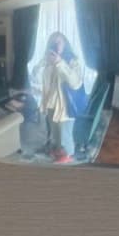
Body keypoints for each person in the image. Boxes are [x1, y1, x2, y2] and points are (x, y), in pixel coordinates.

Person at [34, 28, 88, 161]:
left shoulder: (72, 61)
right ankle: (56, 154)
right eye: (53, 43)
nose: (56, 45)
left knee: (65, 139)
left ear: (65, 44)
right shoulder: (47, 62)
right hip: (51, 104)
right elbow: (34, 77)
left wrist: (60, 63)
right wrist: (43, 61)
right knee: (55, 136)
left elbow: (75, 83)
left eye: (59, 42)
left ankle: (68, 161)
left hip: (65, 106)